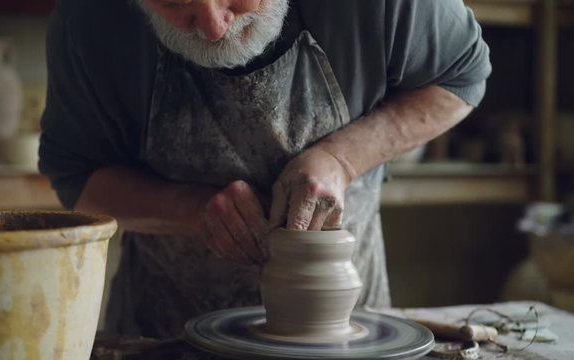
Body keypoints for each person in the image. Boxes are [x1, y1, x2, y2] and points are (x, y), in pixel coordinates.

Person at [39, 0, 491, 338]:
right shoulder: (89, 19)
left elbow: (462, 76)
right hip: (167, 327)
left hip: (342, 330)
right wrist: (190, 210)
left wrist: (343, 157)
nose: (215, 27)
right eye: (176, 1)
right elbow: (76, 176)